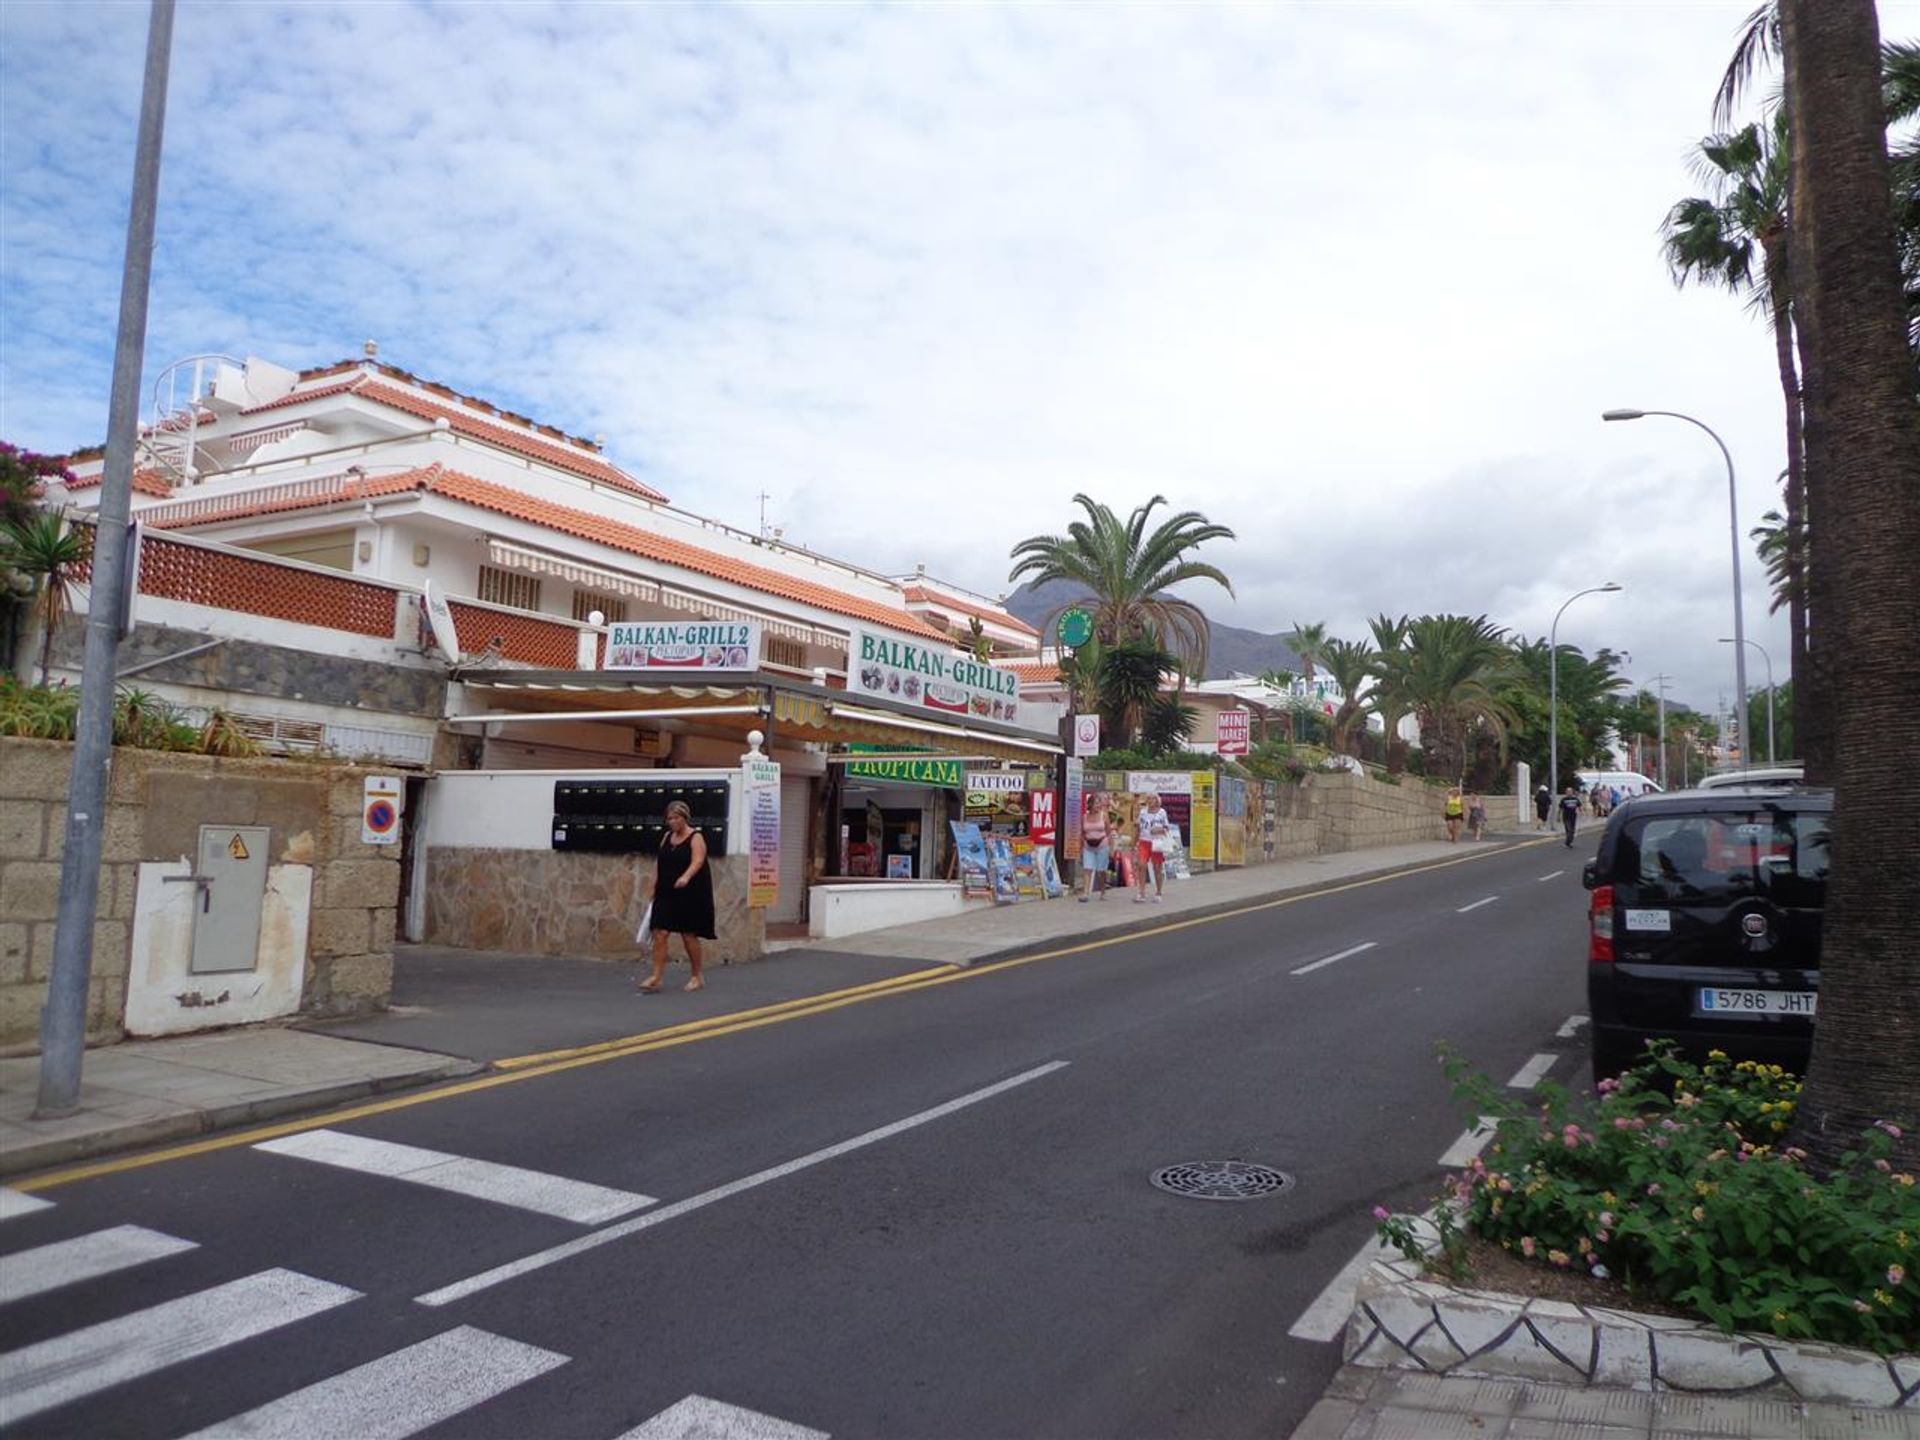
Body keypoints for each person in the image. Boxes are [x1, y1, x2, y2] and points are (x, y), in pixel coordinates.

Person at [640, 800, 713, 993]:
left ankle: (697, 976)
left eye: (676, 818)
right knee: (659, 932)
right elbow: (659, 862)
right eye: (669, 818)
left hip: (688, 892)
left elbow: (698, 861)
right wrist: (653, 883)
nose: (672, 822)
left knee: (688, 934)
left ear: (684, 818)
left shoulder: (696, 837)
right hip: (666, 890)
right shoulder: (666, 837)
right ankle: (656, 976)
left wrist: (686, 877)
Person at [1135, 791, 1172, 903]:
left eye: (1152, 799)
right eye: (1148, 799)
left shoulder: (1162, 812)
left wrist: (1158, 829)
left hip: (1157, 842)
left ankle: (1158, 891)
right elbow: (1138, 827)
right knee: (1141, 865)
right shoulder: (1143, 812)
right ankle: (1141, 892)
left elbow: (1166, 828)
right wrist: (1134, 841)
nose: (1150, 801)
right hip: (1144, 841)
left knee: (1157, 867)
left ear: (1157, 800)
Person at [1079, 792, 1112, 902]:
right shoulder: (1084, 817)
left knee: (1101, 870)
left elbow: (1108, 832)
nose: (1098, 805)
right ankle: (1085, 893)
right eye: (1096, 803)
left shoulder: (1104, 815)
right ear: (1090, 804)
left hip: (1102, 845)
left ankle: (1103, 892)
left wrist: (1111, 848)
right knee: (1087, 869)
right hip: (1088, 846)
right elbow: (1082, 833)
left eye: (1099, 803)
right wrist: (1081, 847)